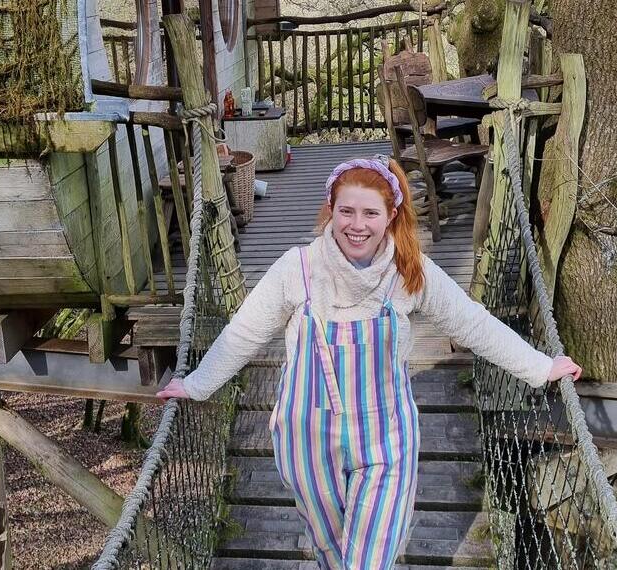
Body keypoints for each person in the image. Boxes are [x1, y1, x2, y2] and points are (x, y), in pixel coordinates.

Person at [156, 156, 582, 569]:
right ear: (331, 209)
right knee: (331, 552)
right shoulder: (298, 270)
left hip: (386, 438)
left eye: (370, 213)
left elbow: (473, 324)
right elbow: (244, 332)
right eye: (346, 211)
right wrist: (196, 384)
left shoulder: (409, 272)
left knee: (368, 558)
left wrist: (540, 367)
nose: (356, 225)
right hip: (306, 441)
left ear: (391, 214)